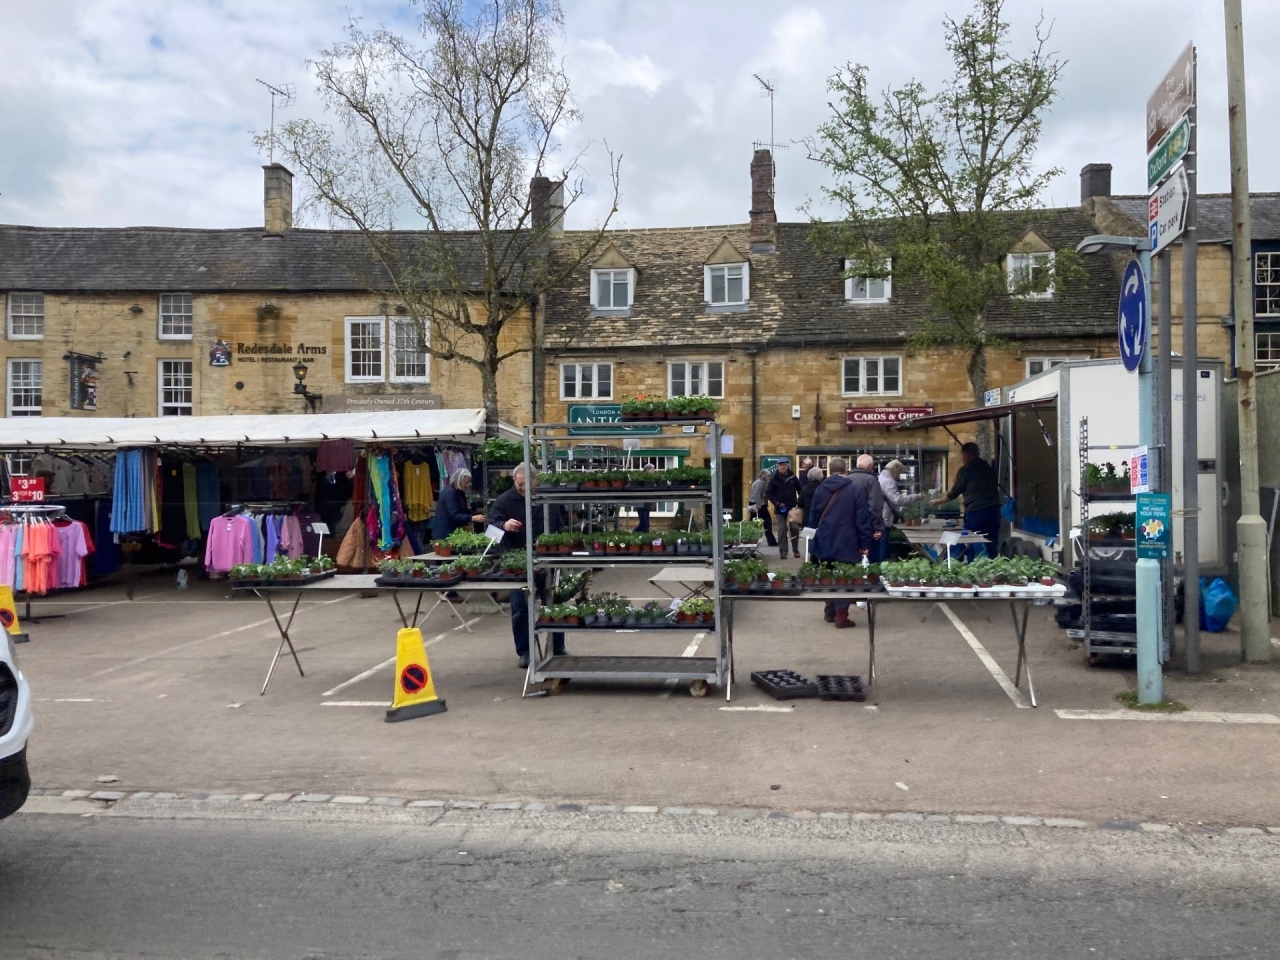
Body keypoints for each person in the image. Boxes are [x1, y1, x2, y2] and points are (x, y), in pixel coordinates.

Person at [487, 463, 566, 669]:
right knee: (520, 608)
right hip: (517, 565)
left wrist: (553, 541)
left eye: (525, 484)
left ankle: (558, 647)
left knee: (553, 604)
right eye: (518, 483)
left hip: (547, 560)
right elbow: (490, 530)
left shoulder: (548, 499)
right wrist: (504, 526)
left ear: (535, 481)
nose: (521, 488)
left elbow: (560, 526)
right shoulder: (504, 501)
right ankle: (524, 652)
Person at [806, 457, 876, 628]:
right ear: (846, 470)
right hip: (847, 541)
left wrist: (812, 540)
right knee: (845, 578)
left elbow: (813, 516)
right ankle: (841, 615)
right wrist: (865, 543)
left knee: (828, 575)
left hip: (824, 539)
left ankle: (829, 611)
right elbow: (862, 519)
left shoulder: (820, 489)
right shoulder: (854, 490)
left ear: (829, 471)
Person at [931, 441, 1001, 559]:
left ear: (967, 454)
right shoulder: (989, 468)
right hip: (994, 510)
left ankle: (973, 566)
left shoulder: (965, 470)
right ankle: (994, 566)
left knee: (971, 542)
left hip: (976, 512)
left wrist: (938, 501)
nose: (962, 458)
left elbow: (954, 492)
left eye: (962, 455)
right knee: (991, 543)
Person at [877, 459, 925, 563]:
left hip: (880, 515)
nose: (898, 477)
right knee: (883, 546)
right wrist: (916, 496)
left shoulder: (881, 477)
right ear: (893, 471)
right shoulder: (889, 482)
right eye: (898, 473)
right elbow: (898, 500)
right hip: (884, 517)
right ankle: (881, 567)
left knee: (880, 545)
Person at [850, 454, 888, 563]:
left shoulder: (847, 479)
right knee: (870, 560)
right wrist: (878, 527)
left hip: (850, 526)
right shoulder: (871, 480)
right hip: (868, 528)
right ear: (870, 466)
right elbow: (875, 505)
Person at [432, 468, 486, 540]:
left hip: (451, 532)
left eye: (469, 482)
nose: (468, 485)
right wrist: (472, 518)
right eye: (466, 482)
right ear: (459, 481)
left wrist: (474, 513)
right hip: (445, 533)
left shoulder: (459, 492)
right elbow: (454, 515)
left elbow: (461, 510)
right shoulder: (450, 493)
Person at [766, 458, 802, 558]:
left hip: (792, 508)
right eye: (780, 465)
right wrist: (777, 503)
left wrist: (799, 503)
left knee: (794, 529)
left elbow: (800, 490)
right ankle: (783, 552)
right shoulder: (774, 479)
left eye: (784, 465)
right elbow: (769, 493)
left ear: (787, 466)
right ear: (777, 467)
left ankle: (795, 550)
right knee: (781, 530)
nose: (783, 467)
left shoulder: (793, 478)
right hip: (779, 508)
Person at [747, 470, 778, 547]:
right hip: (758, 504)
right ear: (763, 475)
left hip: (760, 504)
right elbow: (757, 495)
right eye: (768, 475)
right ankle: (750, 540)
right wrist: (758, 506)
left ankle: (770, 541)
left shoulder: (762, 482)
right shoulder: (760, 483)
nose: (769, 477)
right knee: (758, 523)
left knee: (765, 522)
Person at [635, 463, 657, 533]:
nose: (654, 471)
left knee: (645, 523)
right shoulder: (642, 479)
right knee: (644, 523)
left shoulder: (650, 479)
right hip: (641, 503)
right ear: (647, 470)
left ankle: (636, 533)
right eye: (652, 470)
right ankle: (641, 534)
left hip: (646, 504)